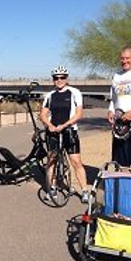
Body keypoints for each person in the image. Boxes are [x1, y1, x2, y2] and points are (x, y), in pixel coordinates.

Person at [40, 65, 90, 203]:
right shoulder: (50, 96)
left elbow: (79, 114)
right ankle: (52, 189)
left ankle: (85, 191)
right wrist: (49, 125)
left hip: (69, 131)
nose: (59, 80)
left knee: (76, 161)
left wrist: (65, 125)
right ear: (53, 80)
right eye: (56, 78)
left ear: (67, 79)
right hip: (53, 133)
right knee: (51, 161)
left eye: (62, 77)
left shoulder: (74, 92)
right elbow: (43, 115)